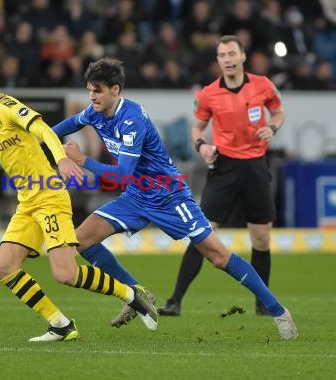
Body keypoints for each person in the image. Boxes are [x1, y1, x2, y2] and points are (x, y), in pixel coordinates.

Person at [0, 52, 158, 342]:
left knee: (65, 274)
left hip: (50, 195)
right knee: (4, 268)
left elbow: (43, 130)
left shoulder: (8, 106)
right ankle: (61, 325)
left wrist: (63, 161)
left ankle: (132, 295)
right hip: (27, 202)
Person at [52, 57, 297, 340]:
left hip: (169, 196)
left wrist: (81, 159)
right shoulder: (93, 112)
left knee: (218, 257)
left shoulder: (132, 119)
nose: (92, 96)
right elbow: (62, 127)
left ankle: (279, 311)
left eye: (98, 90)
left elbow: (122, 173)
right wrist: (36, 137)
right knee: (81, 240)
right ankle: (137, 294)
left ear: (115, 90)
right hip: (137, 195)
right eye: (90, 90)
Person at [158, 35, 284, 317]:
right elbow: (196, 129)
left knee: (261, 238)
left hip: (255, 166)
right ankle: (175, 301)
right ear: (218, 61)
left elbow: (278, 113)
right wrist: (202, 146)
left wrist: (273, 129)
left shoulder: (263, 85)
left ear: (242, 56)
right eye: (222, 55)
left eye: (231, 54)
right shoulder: (207, 94)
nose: (227, 59)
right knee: (202, 234)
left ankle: (263, 303)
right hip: (224, 167)